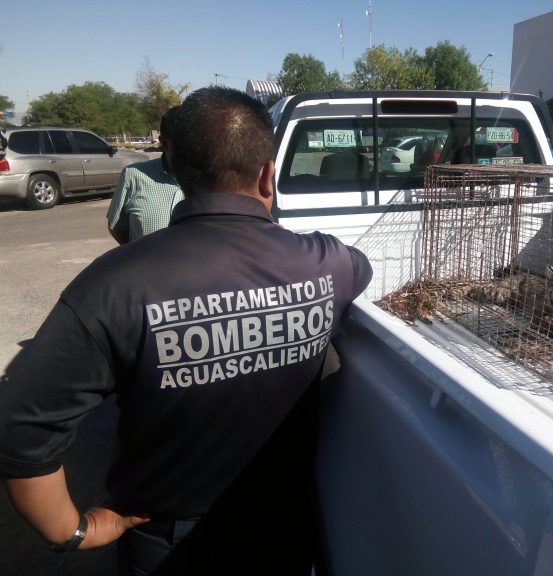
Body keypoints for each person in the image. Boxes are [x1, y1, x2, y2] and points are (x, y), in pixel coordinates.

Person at [0, 86, 373, 574]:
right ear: (267, 174)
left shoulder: (114, 284)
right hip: (284, 524)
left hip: (165, 541)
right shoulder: (328, 263)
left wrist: (70, 530)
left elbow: (20, 424)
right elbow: (360, 270)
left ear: (173, 170)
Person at [107, 106, 183, 244]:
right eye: (185, 145)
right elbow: (117, 228)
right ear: (164, 143)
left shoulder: (212, 178)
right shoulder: (134, 176)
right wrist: (140, 255)